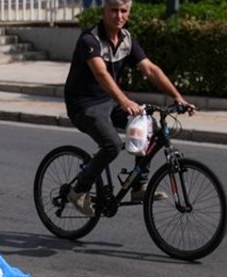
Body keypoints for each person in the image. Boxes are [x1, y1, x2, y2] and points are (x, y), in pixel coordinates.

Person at [63, 0, 195, 215]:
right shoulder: (90, 39)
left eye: (123, 11)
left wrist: (178, 97)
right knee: (112, 145)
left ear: (129, 13)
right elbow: (101, 74)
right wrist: (124, 101)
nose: (119, 15)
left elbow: (150, 69)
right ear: (104, 12)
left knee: (151, 129)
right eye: (113, 10)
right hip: (84, 104)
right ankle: (79, 190)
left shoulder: (127, 39)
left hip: (109, 101)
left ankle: (138, 187)